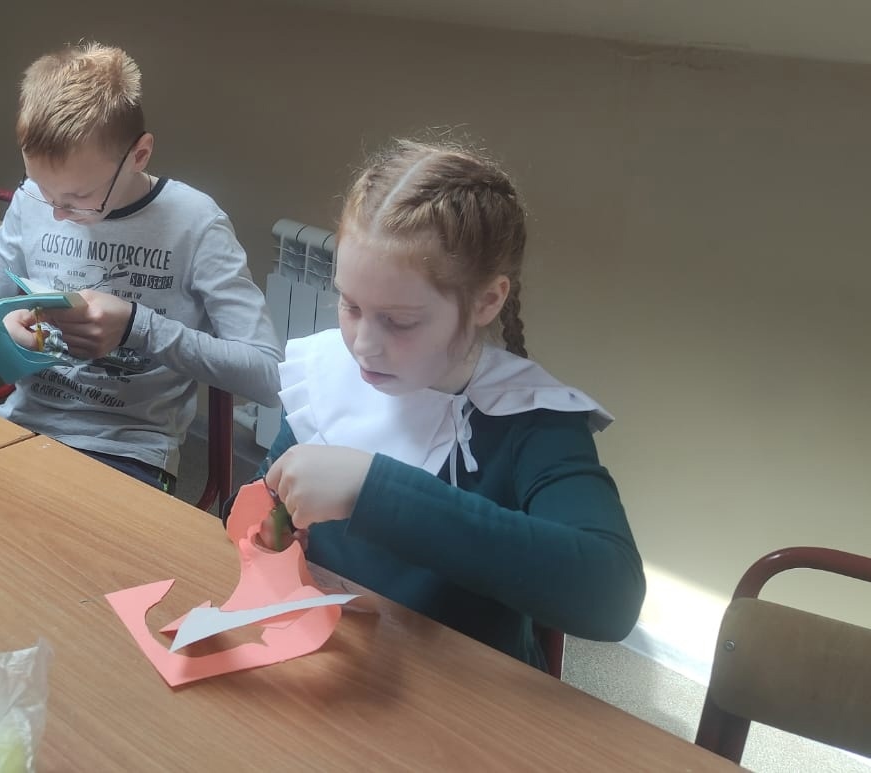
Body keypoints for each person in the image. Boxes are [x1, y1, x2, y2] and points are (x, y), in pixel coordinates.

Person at [250, 139, 644, 668]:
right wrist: (267, 525)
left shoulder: (534, 420)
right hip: (332, 659)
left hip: (457, 691)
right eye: (349, 305)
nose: (363, 345)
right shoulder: (324, 374)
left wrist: (372, 489)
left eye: (399, 321)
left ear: (487, 300)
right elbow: (263, 495)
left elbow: (611, 596)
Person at [0, 42, 281, 491]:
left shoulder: (196, 224)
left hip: (128, 450)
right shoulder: (32, 200)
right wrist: (0, 327)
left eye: (79, 197)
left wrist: (136, 326)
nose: (58, 213)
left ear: (139, 155)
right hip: (23, 421)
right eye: (43, 190)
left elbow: (268, 375)